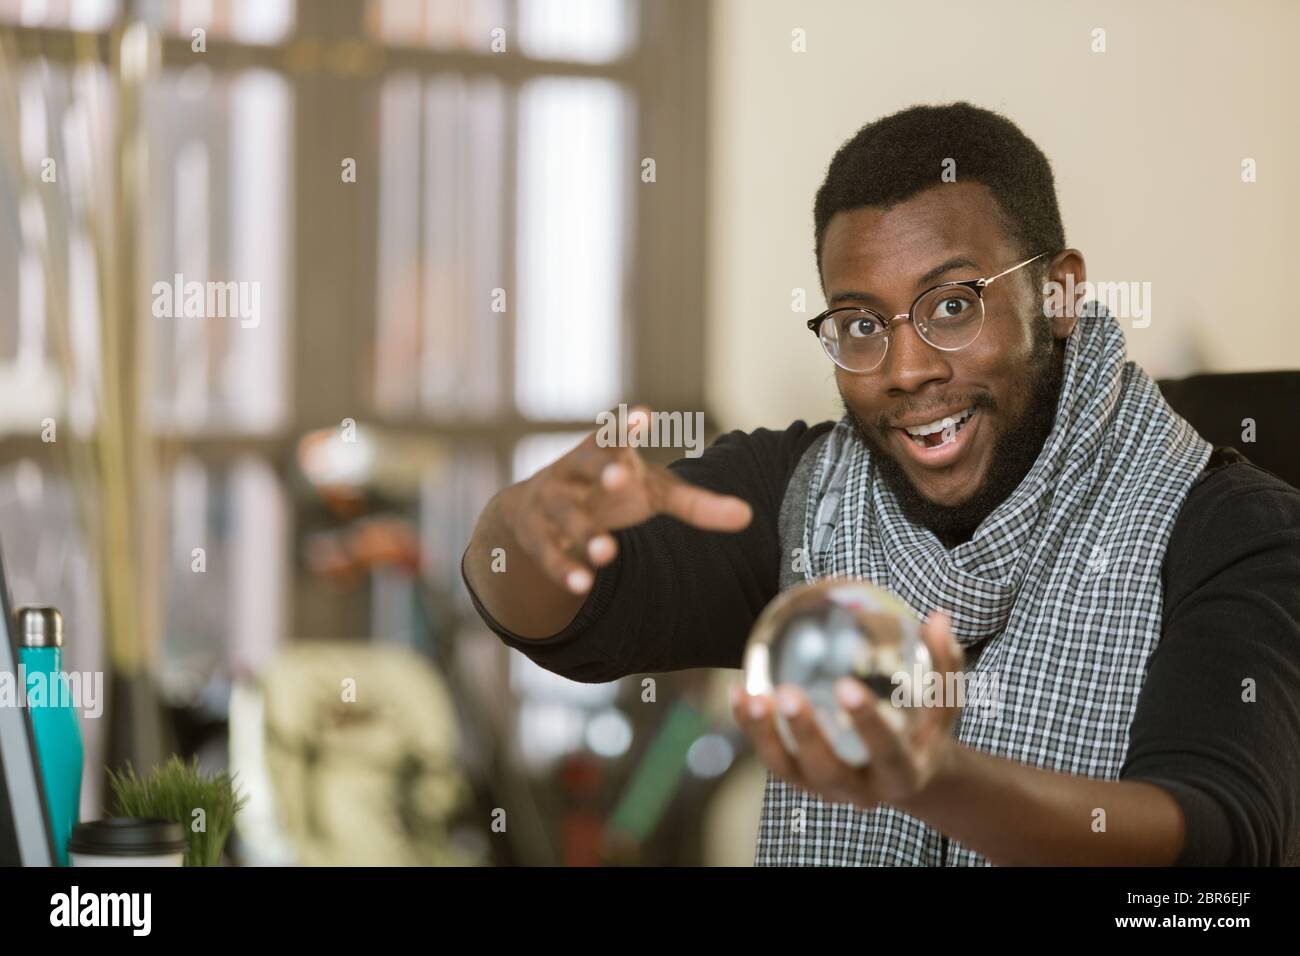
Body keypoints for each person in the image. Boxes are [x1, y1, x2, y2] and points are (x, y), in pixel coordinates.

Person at [461, 102, 1300, 866]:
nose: (904, 368)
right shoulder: (811, 497)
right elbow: (563, 620)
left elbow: (1217, 844)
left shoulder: (1233, 531)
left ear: (1060, 292)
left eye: (953, 305)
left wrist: (931, 779)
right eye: (861, 324)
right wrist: (520, 531)